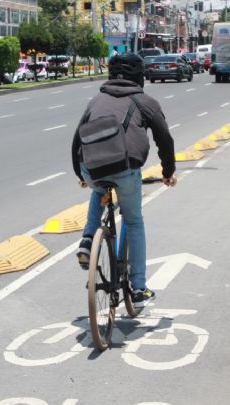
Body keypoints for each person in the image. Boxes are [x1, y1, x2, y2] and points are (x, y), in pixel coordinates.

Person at [71, 52, 177, 308]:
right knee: (134, 220)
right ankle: (139, 288)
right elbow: (164, 139)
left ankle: (88, 239)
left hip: (91, 167)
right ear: (140, 76)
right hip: (126, 170)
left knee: (99, 188)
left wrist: (80, 173)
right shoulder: (145, 102)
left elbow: (77, 139)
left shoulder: (96, 100)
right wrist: (167, 172)